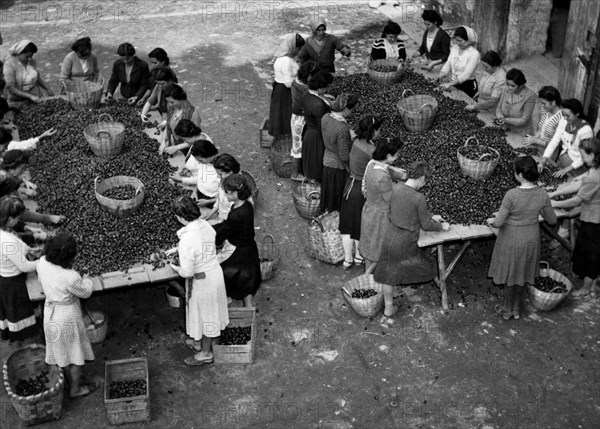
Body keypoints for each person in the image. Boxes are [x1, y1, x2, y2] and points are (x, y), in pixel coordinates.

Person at [374, 161, 450, 317]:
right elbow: (427, 225)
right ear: (421, 178)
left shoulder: (395, 187)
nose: (425, 184)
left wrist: (430, 215)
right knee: (421, 267)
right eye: (425, 180)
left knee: (387, 274)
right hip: (405, 240)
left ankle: (388, 307)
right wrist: (442, 227)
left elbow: (405, 208)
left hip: (390, 235)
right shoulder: (419, 197)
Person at [487, 156, 557, 320]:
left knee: (510, 276)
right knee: (522, 274)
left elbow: (498, 222)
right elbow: (552, 220)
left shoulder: (511, 195)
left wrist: (491, 221)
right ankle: (516, 309)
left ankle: (507, 309)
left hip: (511, 239)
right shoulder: (542, 194)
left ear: (519, 175)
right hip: (531, 239)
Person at [36, 231, 99, 398]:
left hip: (50, 313)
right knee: (75, 355)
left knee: (61, 352)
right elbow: (85, 292)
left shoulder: (42, 262)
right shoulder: (70, 276)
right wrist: (87, 279)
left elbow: (42, 283)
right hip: (67, 318)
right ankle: (75, 390)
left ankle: (70, 380)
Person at [169, 195, 229, 366]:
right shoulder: (205, 225)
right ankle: (198, 343)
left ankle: (206, 353)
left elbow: (187, 272)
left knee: (207, 317)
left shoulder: (187, 240)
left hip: (203, 282)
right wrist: (177, 249)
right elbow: (202, 245)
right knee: (208, 314)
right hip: (214, 273)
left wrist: (175, 267)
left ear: (180, 217)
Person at [549, 138, 600, 298]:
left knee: (592, 254)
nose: (582, 159)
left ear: (593, 155)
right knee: (590, 251)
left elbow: (577, 199)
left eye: (584, 156)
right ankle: (591, 284)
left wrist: (554, 204)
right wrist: (555, 193)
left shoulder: (595, 176)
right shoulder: (594, 169)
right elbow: (579, 183)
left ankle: (586, 288)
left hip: (594, 219)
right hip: (593, 215)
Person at [339, 115, 383, 269]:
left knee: (346, 225)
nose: (380, 132)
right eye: (378, 129)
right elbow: (378, 168)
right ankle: (358, 257)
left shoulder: (356, 141)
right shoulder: (372, 150)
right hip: (361, 190)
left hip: (349, 186)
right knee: (359, 225)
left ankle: (347, 259)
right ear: (372, 131)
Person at [213, 174, 262, 307]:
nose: (226, 196)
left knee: (222, 271)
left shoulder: (237, 214)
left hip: (238, 249)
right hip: (249, 247)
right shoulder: (247, 205)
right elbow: (228, 225)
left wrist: (210, 232)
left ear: (235, 193)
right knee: (247, 278)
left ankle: (228, 298)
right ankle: (248, 304)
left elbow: (224, 231)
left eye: (227, 193)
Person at [360, 137, 403, 274]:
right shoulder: (382, 176)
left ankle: (367, 273)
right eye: (396, 154)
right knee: (381, 250)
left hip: (369, 210)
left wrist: (399, 175)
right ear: (387, 155)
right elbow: (390, 200)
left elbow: (387, 170)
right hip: (380, 217)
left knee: (370, 246)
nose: (398, 156)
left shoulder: (372, 164)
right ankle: (367, 276)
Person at [0, 196, 39, 343]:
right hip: (13, 284)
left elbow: (17, 246)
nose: (19, 221)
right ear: (10, 219)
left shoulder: (5, 231)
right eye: (18, 218)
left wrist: (29, 250)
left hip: (5, 277)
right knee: (19, 317)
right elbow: (25, 266)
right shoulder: (7, 241)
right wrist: (43, 261)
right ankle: (24, 345)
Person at [320, 93, 358, 213]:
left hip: (327, 161)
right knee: (336, 198)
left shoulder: (325, 117)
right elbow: (344, 156)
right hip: (337, 167)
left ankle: (327, 213)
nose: (351, 113)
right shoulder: (342, 128)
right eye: (351, 110)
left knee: (328, 194)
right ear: (346, 109)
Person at [539, 99, 592, 179]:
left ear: (577, 114)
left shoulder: (585, 131)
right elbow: (554, 141)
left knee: (577, 181)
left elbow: (583, 158)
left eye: (568, 115)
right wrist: (544, 159)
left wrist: (564, 171)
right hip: (564, 157)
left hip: (578, 164)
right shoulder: (563, 121)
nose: (564, 117)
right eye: (563, 114)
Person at [169, 121, 219, 206]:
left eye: (184, 139)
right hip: (198, 184)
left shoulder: (209, 165)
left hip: (210, 195)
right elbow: (201, 177)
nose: (184, 142)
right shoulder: (199, 142)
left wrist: (181, 179)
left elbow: (201, 177)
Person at [268, 33, 304, 137]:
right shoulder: (286, 61)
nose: (299, 51)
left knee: (280, 113)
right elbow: (288, 83)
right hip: (285, 90)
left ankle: (282, 135)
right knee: (285, 114)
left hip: (279, 89)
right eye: (298, 48)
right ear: (293, 47)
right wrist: (302, 86)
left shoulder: (282, 57)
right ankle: (286, 135)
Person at [290, 61, 320, 181]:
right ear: (309, 76)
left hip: (296, 117)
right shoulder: (305, 89)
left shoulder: (296, 81)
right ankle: (295, 174)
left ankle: (299, 171)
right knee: (297, 148)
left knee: (298, 146)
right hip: (300, 120)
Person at [3, 40, 55, 106]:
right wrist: (30, 96)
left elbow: (36, 78)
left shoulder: (31, 62)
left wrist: (47, 88)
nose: (30, 59)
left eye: (31, 56)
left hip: (35, 98)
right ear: (19, 52)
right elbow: (11, 88)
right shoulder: (9, 64)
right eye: (27, 56)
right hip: (18, 102)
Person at [302, 72, 332, 181]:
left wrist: (324, 97)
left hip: (309, 132)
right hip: (316, 136)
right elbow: (322, 126)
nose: (327, 90)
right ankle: (315, 183)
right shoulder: (318, 106)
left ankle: (311, 179)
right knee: (316, 161)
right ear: (319, 88)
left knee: (311, 160)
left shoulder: (306, 93)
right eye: (325, 88)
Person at [437, 26, 480, 98]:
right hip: (453, 84)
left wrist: (450, 84)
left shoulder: (474, 54)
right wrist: (441, 75)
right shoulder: (454, 48)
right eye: (456, 40)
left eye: (460, 41)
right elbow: (448, 64)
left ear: (468, 40)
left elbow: (466, 75)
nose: (457, 43)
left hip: (467, 87)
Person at [160, 84, 202, 155]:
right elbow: (168, 125)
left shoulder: (193, 114)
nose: (169, 104)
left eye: (172, 102)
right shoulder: (172, 109)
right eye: (168, 101)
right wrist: (163, 141)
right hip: (175, 145)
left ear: (181, 99)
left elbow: (195, 138)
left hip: (189, 150)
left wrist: (177, 147)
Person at [522, 86, 563, 154]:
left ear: (553, 102)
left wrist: (535, 141)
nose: (542, 105)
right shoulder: (546, 111)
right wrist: (534, 137)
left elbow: (554, 144)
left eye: (544, 103)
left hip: (549, 153)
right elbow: (541, 129)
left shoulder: (561, 119)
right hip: (539, 148)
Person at [494, 68, 536, 133]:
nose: (509, 87)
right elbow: (499, 107)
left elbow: (524, 120)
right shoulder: (506, 89)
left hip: (521, 132)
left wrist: (505, 120)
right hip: (505, 128)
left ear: (521, 85)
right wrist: (500, 116)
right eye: (508, 84)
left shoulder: (530, 96)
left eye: (513, 86)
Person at [203, 154, 241, 224]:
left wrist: (222, 223)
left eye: (220, 174)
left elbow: (235, 216)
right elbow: (220, 198)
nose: (218, 176)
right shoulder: (224, 180)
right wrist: (212, 212)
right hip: (223, 214)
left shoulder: (237, 191)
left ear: (230, 172)